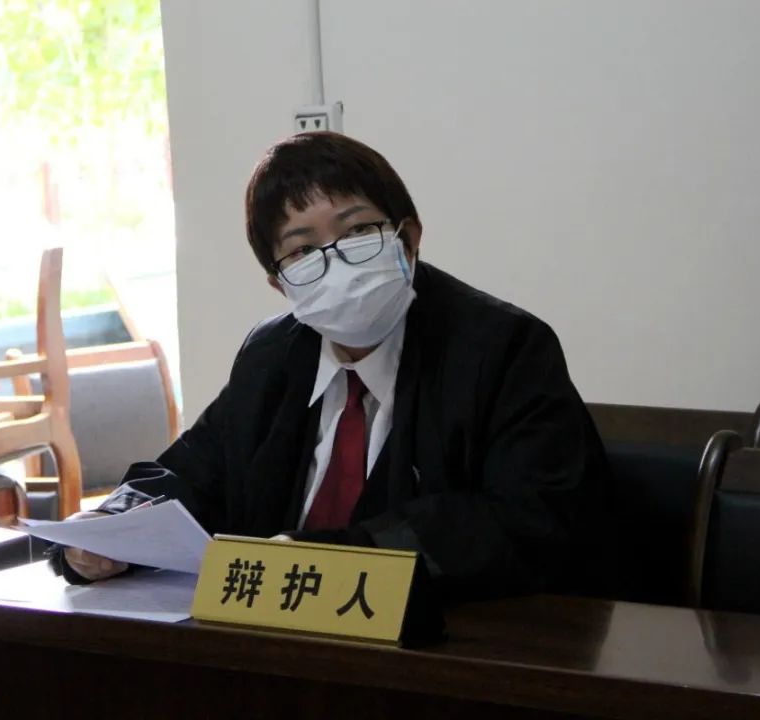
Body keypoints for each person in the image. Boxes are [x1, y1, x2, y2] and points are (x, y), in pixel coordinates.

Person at [55, 132, 610, 598]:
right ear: (280, 284)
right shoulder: (272, 358)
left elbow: (525, 522)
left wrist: (332, 556)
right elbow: (195, 474)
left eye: (358, 231)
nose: (336, 261)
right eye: (302, 250)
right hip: (281, 651)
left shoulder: (503, 349)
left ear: (409, 238)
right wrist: (112, 526)